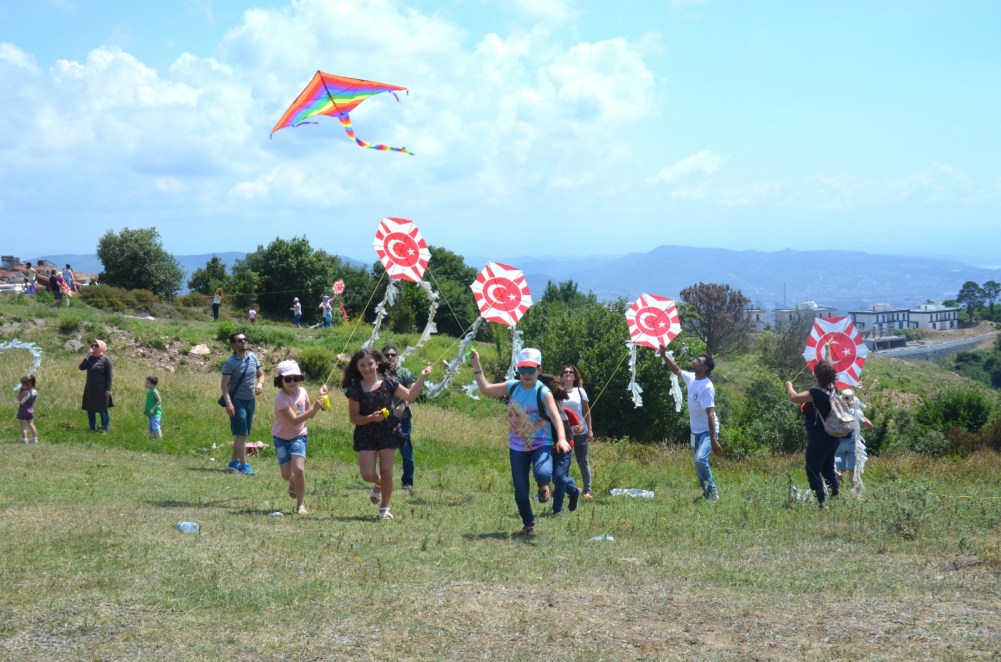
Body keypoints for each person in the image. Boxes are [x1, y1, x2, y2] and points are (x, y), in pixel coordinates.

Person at [469, 347, 570, 535]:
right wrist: (476, 364)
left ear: (539, 370)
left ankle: (543, 485)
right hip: (517, 446)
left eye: (531, 369)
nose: (526, 374)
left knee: (543, 473)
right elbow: (485, 388)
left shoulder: (543, 392)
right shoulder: (513, 386)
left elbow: (556, 416)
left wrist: (562, 439)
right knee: (521, 491)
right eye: (522, 369)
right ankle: (528, 523)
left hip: (541, 444)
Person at [341, 347, 432, 520]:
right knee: (367, 474)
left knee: (387, 470)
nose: (367, 368)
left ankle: (385, 508)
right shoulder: (355, 390)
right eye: (362, 365)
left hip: (388, 430)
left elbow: (410, 396)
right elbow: (354, 418)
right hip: (365, 433)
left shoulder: (389, 382)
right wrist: (371, 418)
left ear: (377, 364)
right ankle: (378, 483)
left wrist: (422, 377)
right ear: (357, 367)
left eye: (370, 364)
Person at [658, 346, 722, 502]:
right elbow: (676, 370)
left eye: (699, 360)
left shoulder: (707, 387)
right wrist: (664, 355)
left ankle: (713, 492)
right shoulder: (691, 377)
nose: (695, 361)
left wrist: (713, 440)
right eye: (696, 359)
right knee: (697, 463)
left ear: (705, 368)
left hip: (707, 432)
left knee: (700, 460)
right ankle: (707, 493)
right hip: (695, 432)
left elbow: (710, 414)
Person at [271, 360, 326, 515]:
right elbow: (295, 419)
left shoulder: (302, 392)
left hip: (299, 436)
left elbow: (309, 414)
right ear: (280, 380)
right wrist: (314, 408)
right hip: (280, 438)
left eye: (296, 378)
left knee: (299, 469)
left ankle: (301, 505)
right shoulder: (280, 399)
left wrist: (320, 398)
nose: (292, 382)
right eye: (288, 379)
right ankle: (292, 481)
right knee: (286, 475)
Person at [785, 361, 842, 508]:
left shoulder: (816, 393)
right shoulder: (833, 389)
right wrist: (828, 350)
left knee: (812, 469)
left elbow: (794, 397)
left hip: (819, 438)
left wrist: (789, 385)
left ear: (816, 376)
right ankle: (835, 498)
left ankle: (821, 502)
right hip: (833, 437)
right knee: (827, 469)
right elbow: (828, 363)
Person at [221, 331, 265, 476]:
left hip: (250, 400)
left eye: (245, 339)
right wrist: (229, 403)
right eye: (240, 340)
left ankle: (233, 463)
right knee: (241, 433)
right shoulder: (230, 363)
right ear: (233, 345)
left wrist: (260, 384)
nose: (244, 342)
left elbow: (261, 375)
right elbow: (224, 385)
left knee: (243, 434)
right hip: (236, 401)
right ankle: (244, 466)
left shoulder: (253, 357)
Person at [538, 373, 582, 516]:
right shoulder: (540, 402)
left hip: (564, 446)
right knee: (555, 478)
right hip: (548, 446)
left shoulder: (553, 404)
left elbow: (564, 428)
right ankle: (573, 491)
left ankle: (558, 509)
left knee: (559, 478)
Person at [382, 345, 417, 490]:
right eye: (387, 355)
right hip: (384, 418)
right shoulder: (379, 374)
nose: (390, 357)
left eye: (393, 355)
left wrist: (403, 405)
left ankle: (407, 482)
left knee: (406, 450)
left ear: (397, 357)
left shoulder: (404, 372)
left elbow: (413, 391)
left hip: (403, 418)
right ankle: (382, 480)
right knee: (383, 450)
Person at [560, 364, 594, 499]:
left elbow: (587, 411)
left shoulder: (580, 391)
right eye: (565, 372)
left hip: (581, 432)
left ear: (575, 377)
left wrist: (590, 429)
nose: (568, 374)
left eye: (571, 372)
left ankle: (587, 491)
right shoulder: (557, 392)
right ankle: (565, 489)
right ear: (562, 376)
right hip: (564, 433)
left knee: (583, 461)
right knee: (564, 463)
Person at [833, 388, 873, 492]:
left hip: (839, 444)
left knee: (838, 470)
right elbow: (869, 426)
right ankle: (854, 492)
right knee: (852, 470)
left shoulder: (836, 411)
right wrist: (862, 417)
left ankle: (838, 492)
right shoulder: (856, 412)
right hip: (852, 445)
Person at [80, 339, 113, 432]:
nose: (93, 347)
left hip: (102, 390)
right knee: (90, 409)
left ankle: (105, 428)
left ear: (101, 347)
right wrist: (87, 356)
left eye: (96, 345)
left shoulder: (106, 360)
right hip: (90, 389)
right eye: (92, 345)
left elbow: (109, 376)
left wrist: (108, 389)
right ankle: (92, 428)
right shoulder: (90, 358)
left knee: (103, 410)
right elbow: (81, 367)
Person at [16, 375, 38, 444]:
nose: (21, 386)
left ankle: (24, 439)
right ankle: (35, 439)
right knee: (31, 424)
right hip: (30, 410)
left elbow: (19, 398)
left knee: (23, 426)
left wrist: (21, 391)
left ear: (28, 384)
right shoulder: (35, 391)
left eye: (23, 384)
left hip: (23, 410)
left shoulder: (25, 392)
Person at [145, 375, 163, 440]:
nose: (145, 384)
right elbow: (148, 402)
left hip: (155, 413)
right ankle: (155, 439)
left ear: (152, 384)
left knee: (156, 427)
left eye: (147, 383)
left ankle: (159, 440)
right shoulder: (148, 391)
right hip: (150, 413)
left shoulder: (154, 392)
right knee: (152, 427)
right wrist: (145, 409)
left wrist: (153, 409)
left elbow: (159, 400)